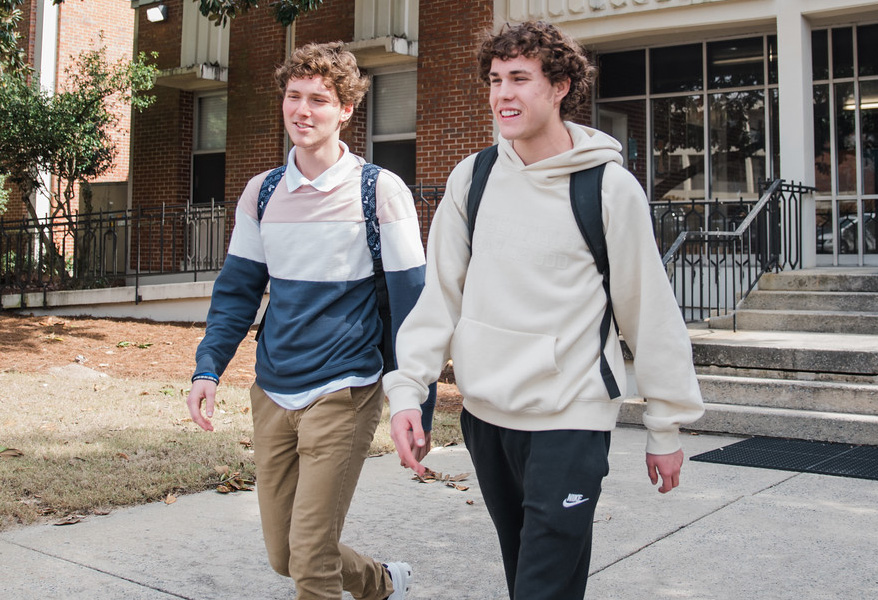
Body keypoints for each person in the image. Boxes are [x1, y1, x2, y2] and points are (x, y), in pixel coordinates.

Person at [384, 20, 705, 600]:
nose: (502, 93)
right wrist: (408, 389)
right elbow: (441, 295)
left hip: (570, 418)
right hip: (486, 415)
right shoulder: (472, 178)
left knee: (542, 584)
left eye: (520, 79)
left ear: (559, 86)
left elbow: (647, 311)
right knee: (524, 571)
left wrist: (665, 423)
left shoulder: (608, 188)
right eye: (495, 79)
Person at [185, 42, 434, 600]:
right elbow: (237, 292)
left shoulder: (379, 191)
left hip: (344, 388)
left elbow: (411, 305)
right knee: (285, 555)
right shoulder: (263, 191)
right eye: (293, 96)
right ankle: (381, 581)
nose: (302, 109)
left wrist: (414, 403)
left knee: (311, 563)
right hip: (274, 389)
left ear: (346, 109)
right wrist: (208, 370)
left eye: (318, 99)